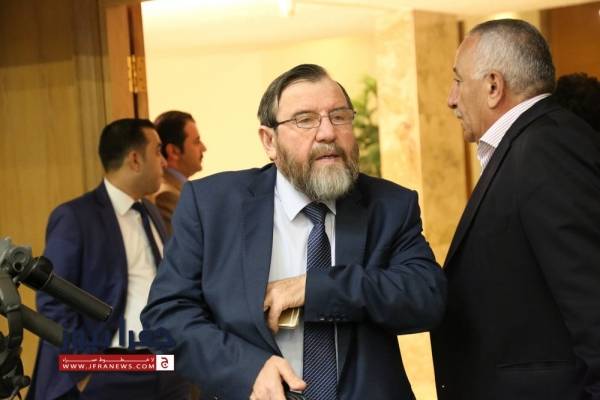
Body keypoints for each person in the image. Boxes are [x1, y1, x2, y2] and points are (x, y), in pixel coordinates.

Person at [141, 64, 446, 400]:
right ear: (269, 141)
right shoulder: (212, 206)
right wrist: (246, 370)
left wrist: (313, 288)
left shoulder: (389, 205)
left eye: (339, 117)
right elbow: (166, 317)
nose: (328, 133)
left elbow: (426, 297)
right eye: (305, 120)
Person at [430, 19, 600, 400]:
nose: (451, 99)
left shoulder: (546, 148)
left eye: (458, 80)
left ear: (493, 86)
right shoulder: (531, 144)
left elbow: (591, 298)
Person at [29, 119, 191, 399]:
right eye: (157, 151)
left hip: (166, 364)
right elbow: (52, 300)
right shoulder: (76, 217)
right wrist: (84, 369)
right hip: (111, 368)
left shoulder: (151, 212)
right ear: (135, 159)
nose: (164, 162)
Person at [149, 110, 207, 234]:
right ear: (173, 151)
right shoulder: (166, 196)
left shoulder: (183, 191)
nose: (204, 148)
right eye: (196, 142)